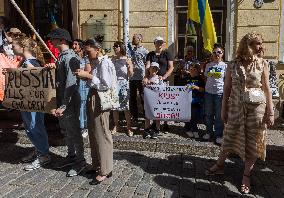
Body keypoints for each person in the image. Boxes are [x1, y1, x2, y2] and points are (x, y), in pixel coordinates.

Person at [205, 32, 274, 194]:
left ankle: (246, 175)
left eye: (260, 43)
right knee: (229, 136)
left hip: (257, 108)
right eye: (257, 43)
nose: (260, 47)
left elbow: (267, 88)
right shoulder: (233, 64)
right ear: (247, 45)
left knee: (252, 142)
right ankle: (220, 165)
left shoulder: (263, 63)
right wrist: (223, 109)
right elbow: (227, 88)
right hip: (235, 107)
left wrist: (270, 111)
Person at [75, 38, 116, 185]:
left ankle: (105, 169)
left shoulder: (105, 62)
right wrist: (86, 75)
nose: (86, 54)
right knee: (93, 132)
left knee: (102, 133)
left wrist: (88, 76)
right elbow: (95, 81)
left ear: (97, 49)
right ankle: (97, 165)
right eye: (85, 52)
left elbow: (106, 84)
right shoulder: (95, 62)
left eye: (88, 51)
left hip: (101, 98)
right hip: (93, 95)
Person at [46, 28, 86, 177]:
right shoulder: (62, 57)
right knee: (66, 131)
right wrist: (53, 67)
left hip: (68, 102)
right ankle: (71, 156)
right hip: (63, 100)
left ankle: (80, 162)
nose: (51, 42)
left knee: (74, 132)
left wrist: (64, 105)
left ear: (62, 40)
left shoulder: (70, 58)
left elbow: (71, 83)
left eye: (54, 39)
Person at [10, 37, 50, 170]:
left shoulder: (31, 63)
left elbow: (40, 81)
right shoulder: (25, 62)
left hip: (33, 103)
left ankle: (43, 155)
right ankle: (39, 150)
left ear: (22, 47)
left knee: (35, 126)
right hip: (26, 102)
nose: (12, 47)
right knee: (30, 127)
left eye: (14, 45)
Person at [144, 36, 174, 133]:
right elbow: (147, 66)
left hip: (163, 81)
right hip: (152, 82)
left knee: (164, 103)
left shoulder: (167, 53)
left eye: (161, 42)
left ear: (163, 44)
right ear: (155, 43)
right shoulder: (150, 54)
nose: (160, 44)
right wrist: (146, 77)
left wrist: (164, 76)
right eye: (158, 42)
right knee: (153, 103)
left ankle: (165, 123)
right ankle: (155, 123)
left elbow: (171, 67)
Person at [202, 44, 227, 145]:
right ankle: (208, 132)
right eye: (214, 52)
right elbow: (205, 77)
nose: (217, 54)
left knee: (219, 115)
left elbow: (226, 81)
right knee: (208, 114)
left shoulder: (225, 66)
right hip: (208, 93)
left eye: (219, 52)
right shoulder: (208, 65)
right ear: (212, 54)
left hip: (219, 94)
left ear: (222, 54)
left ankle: (218, 135)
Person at [112, 41, 134, 136]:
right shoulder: (113, 59)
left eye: (116, 46)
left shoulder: (127, 59)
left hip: (124, 83)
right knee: (115, 107)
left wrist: (129, 67)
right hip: (114, 84)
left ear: (121, 47)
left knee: (126, 107)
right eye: (114, 46)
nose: (114, 48)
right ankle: (116, 125)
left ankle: (129, 126)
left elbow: (131, 75)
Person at [72, 39, 91, 137]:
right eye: (73, 44)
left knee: (83, 105)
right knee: (77, 105)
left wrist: (81, 73)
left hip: (83, 83)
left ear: (80, 46)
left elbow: (89, 71)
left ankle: (84, 127)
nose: (73, 46)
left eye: (76, 44)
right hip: (74, 84)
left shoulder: (85, 58)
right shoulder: (72, 57)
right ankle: (78, 125)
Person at [129, 34, 148, 123]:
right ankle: (134, 116)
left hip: (141, 77)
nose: (132, 40)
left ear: (140, 39)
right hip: (132, 77)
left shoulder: (144, 51)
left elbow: (147, 64)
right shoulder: (131, 51)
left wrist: (146, 76)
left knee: (142, 97)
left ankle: (146, 116)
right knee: (132, 98)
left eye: (134, 38)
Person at [144, 62, 164, 139]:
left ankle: (157, 129)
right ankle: (147, 129)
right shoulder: (146, 78)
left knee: (157, 115)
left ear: (157, 70)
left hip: (157, 100)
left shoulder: (159, 78)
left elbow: (162, 88)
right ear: (149, 69)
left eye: (156, 69)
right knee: (147, 115)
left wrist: (157, 83)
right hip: (148, 100)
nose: (154, 70)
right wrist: (146, 83)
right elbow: (144, 88)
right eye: (152, 68)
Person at [184, 63, 205, 139]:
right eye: (191, 69)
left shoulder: (200, 79)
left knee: (195, 116)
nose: (192, 71)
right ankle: (188, 129)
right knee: (187, 116)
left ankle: (195, 129)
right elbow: (179, 89)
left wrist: (196, 87)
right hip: (187, 101)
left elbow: (203, 90)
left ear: (197, 71)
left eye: (194, 69)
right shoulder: (185, 78)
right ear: (189, 70)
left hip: (197, 101)